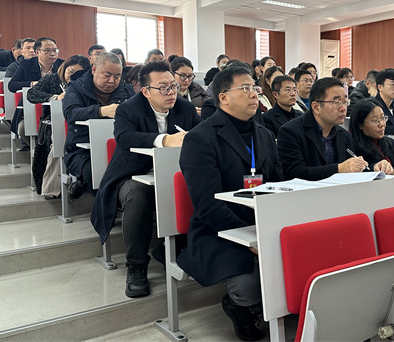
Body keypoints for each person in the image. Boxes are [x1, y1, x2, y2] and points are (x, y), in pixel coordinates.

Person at [178, 64, 283, 341]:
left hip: (263, 223)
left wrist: (271, 229)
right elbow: (208, 206)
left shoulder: (265, 136)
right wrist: (251, 238)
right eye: (245, 88)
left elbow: (279, 186)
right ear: (223, 97)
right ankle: (239, 306)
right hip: (219, 229)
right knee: (250, 287)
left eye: (255, 88)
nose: (254, 94)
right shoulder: (200, 138)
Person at [93, 61, 200, 299]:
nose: (171, 92)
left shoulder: (185, 108)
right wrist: (164, 140)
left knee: (201, 187)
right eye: (163, 88)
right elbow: (124, 138)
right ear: (146, 91)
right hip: (130, 174)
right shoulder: (128, 109)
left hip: (173, 173)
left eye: (173, 86)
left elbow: (201, 135)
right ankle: (136, 266)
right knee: (138, 193)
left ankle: (173, 248)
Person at [63, 52, 134, 199]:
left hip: (121, 149)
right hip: (81, 151)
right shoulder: (76, 88)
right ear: (94, 69)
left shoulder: (127, 91)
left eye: (117, 76)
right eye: (107, 75)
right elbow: (70, 113)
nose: (112, 81)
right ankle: (106, 207)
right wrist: (101, 111)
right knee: (95, 172)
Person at [277, 77, 368, 181]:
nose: (343, 108)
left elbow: (350, 169)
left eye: (344, 102)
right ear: (316, 107)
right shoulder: (291, 132)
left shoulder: (344, 135)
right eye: (336, 102)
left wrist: (372, 167)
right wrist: (338, 169)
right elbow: (293, 173)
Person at [27, 55, 90, 198]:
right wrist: (55, 98)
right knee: (59, 141)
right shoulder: (52, 79)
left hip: (78, 125)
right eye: (70, 72)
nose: (72, 77)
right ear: (64, 68)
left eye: (78, 74)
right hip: (52, 124)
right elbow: (31, 94)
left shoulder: (85, 85)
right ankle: (51, 189)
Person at [8, 37, 64, 151]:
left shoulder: (62, 65)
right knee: (23, 128)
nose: (52, 53)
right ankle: (39, 151)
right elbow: (12, 85)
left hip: (58, 109)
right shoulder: (26, 64)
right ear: (37, 52)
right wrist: (32, 84)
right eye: (47, 50)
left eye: (55, 50)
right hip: (32, 108)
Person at [349, 99, 394, 173]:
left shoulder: (390, 143)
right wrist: (374, 168)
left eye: (382, 118)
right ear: (360, 125)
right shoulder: (352, 147)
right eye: (375, 121)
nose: (381, 124)